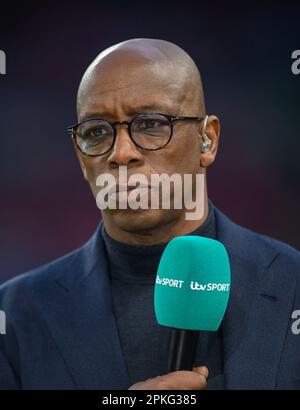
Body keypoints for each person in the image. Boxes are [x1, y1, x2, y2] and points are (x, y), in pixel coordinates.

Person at [0, 38, 299, 390]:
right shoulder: (15, 316)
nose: (122, 153)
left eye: (151, 124)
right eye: (97, 132)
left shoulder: (293, 286)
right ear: (81, 158)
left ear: (208, 140)